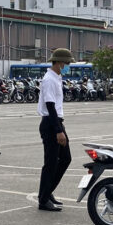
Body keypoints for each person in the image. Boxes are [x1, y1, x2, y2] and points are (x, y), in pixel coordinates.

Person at [36, 48, 75, 212]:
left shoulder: (56, 77)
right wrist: (59, 131)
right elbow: (50, 106)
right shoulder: (49, 79)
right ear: (59, 62)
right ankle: (43, 200)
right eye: (67, 63)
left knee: (65, 158)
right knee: (51, 163)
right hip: (51, 123)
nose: (68, 66)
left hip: (56, 122)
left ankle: (47, 191)